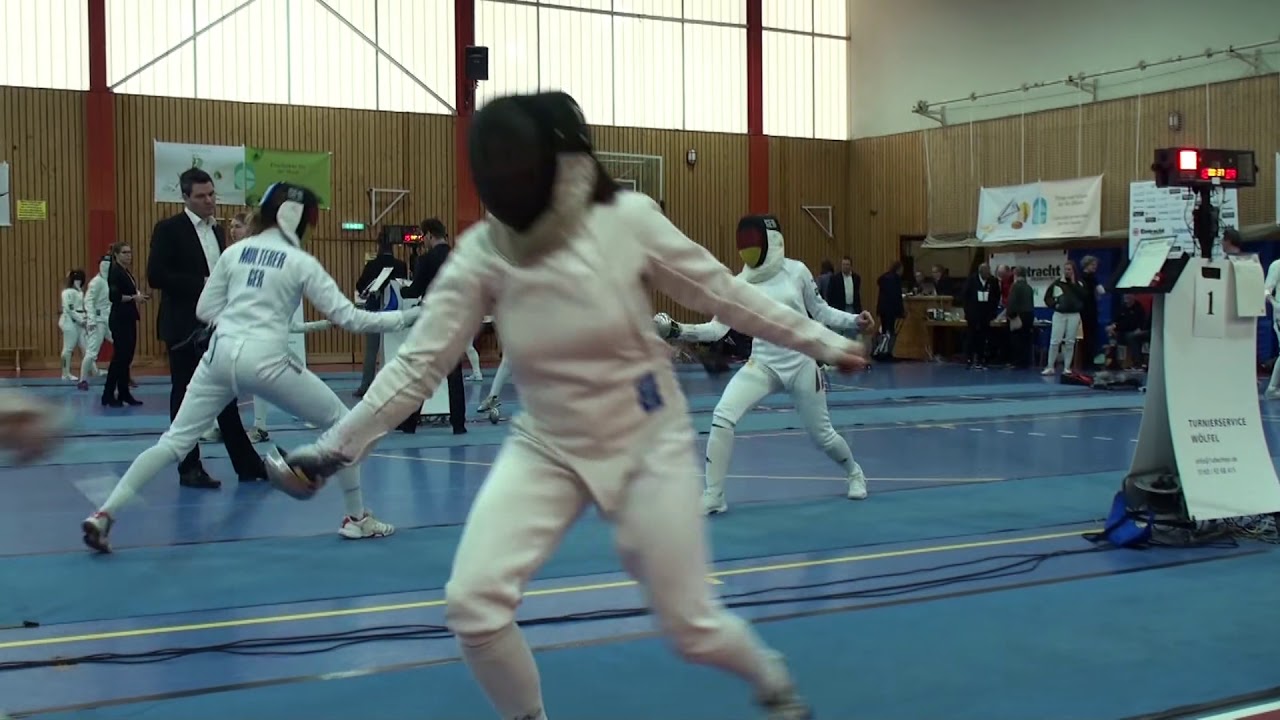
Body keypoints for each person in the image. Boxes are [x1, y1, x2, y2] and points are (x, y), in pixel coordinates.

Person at [266, 91, 866, 720]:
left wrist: (826, 342)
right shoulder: (482, 252)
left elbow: (724, 295)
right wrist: (334, 446)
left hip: (645, 442)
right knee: (473, 605)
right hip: (548, 444)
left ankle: (771, 680)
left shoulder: (625, 220)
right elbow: (418, 365)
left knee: (690, 626)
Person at [81, 183, 413, 554]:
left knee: (174, 441)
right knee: (344, 425)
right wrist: (408, 317)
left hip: (219, 356)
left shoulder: (234, 252)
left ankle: (104, 514)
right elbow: (349, 318)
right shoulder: (301, 262)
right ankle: (356, 518)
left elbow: (205, 310)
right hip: (266, 360)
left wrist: (241, 321)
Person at [655, 214, 873, 514]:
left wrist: (853, 321)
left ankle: (854, 472)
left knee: (822, 435)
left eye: (752, 243)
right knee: (722, 416)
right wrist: (677, 330)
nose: (746, 250)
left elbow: (820, 312)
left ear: (770, 240)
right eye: (742, 244)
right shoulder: (739, 284)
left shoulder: (796, 271)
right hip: (763, 363)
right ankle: (714, 495)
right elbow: (716, 329)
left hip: (801, 364)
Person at [148, 167, 264, 488]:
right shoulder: (169, 229)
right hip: (183, 328)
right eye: (201, 196)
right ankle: (189, 467)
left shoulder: (217, 232)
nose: (209, 201)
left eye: (212, 194)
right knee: (185, 398)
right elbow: (156, 276)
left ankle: (247, 463)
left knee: (225, 397)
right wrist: (201, 284)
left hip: (215, 326)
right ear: (185, 197)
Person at [200, 212, 328, 444]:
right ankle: (223, 426)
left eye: (238, 226)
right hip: (234, 333)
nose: (232, 230)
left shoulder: (271, 257)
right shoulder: (230, 256)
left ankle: (262, 426)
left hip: (261, 334)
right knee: (220, 380)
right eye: (231, 226)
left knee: (271, 378)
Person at [399, 217, 466, 435]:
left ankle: (410, 423)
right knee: (455, 375)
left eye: (423, 236)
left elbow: (415, 290)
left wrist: (402, 289)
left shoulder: (426, 259)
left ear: (428, 235)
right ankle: (459, 424)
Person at [353, 229, 409, 397]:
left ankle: (366, 386)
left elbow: (360, 286)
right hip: (394, 313)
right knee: (394, 350)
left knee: (371, 351)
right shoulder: (401, 266)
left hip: (374, 313)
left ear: (378, 246)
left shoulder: (371, 265)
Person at [103, 242, 145, 407]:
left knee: (126, 358)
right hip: (119, 318)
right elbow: (115, 297)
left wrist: (136, 296)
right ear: (116, 255)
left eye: (130, 252)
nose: (129, 255)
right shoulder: (115, 272)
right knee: (120, 358)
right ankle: (108, 394)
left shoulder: (125, 272)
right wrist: (134, 298)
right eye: (125, 253)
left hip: (127, 317)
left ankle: (123, 393)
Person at [1042, 260, 1086, 375]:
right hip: (1059, 314)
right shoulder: (1057, 283)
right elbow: (1047, 297)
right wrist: (1054, 305)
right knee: (1055, 341)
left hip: (1074, 315)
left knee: (1070, 341)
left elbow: (1084, 296)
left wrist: (1073, 283)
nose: (1067, 272)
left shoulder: (1079, 284)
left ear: (1073, 271)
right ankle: (1050, 366)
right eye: (1066, 269)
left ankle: (1067, 367)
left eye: (1069, 269)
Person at [78, 254, 113, 390]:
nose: (106, 265)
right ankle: (82, 380)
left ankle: (124, 377)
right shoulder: (96, 282)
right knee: (92, 351)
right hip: (98, 321)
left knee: (123, 347)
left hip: (109, 319)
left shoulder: (111, 280)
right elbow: (88, 300)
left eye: (108, 263)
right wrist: (91, 320)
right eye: (104, 263)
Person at [962, 263, 1000, 369]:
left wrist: (993, 312)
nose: (988, 274)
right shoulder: (971, 280)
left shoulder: (993, 281)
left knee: (983, 337)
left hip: (986, 314)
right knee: (971, 336)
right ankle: (969, 359)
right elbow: (965, 296)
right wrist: (967, 311)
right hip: (973, 314)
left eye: (989, 272)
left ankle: (981, 358)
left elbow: (997, 296)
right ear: (980, 272)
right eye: (985, 272)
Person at [58, 269, 88, 382]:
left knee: (86, 348)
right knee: (68, 348)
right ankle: (65, 373)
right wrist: (80, 319)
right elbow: (69, 309)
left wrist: (84, 319)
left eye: (80, 279)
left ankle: (88, 372)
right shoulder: (67, 293)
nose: (78, 282)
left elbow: (81, 308)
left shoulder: (80, 292)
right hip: (69, 322)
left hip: (80, 322)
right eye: (76, 279)